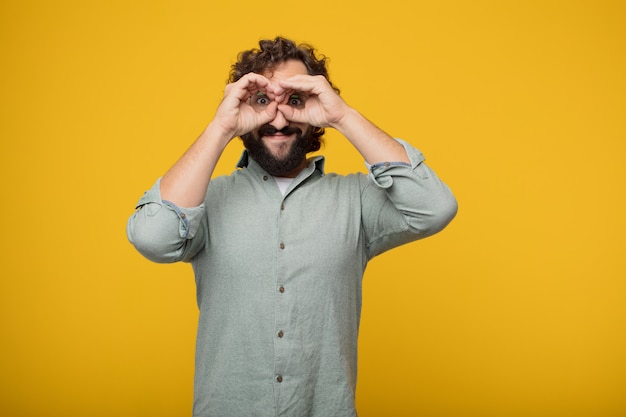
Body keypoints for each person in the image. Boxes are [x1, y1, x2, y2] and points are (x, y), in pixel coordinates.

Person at [127, 36, 457, 417]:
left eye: (295, 101)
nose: (279, 120)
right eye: (263, 101)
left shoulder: (357, 201)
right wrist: (221, 127)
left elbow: (435, 208)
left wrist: (342, 116)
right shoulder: (205, 201)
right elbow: (152, 238)